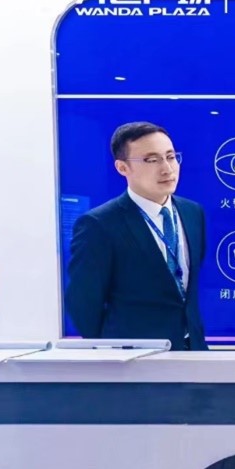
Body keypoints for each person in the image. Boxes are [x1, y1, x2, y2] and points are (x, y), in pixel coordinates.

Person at [64, 122, 208, 350]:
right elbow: (83, 303)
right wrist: (113, 352)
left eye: (171, 157)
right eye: (151, 160)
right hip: (134, 358)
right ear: (122, 168)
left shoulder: (192, 212)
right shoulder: (99, 224)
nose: (167, 169)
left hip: (193, 351)